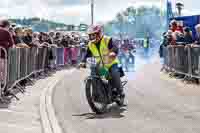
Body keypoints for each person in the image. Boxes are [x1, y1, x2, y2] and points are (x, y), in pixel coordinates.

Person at [79, 25, 125, 104]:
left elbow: (115, 47)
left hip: (111, 64)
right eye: (90, 35)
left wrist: (113, 52)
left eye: (93, 35)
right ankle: (96, 96)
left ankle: (121, 93)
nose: (91, 37)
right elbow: (87, 54)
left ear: (99, 33)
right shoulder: (90, 44)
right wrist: (82, 62)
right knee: (94, 75)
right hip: (101, 66)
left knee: (114, 74)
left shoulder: (107, 39)